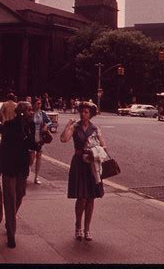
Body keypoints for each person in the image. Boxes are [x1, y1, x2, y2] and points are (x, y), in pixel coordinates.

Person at [0, 101, 40, 248]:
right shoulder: (9, 126)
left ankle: (10, 220)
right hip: (8, 167)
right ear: (20, 112)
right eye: (28, 110)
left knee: (20, 195)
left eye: (31, 110)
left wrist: (41, 142)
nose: (31, 112)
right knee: (9, 198)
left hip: (22, 167)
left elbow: (32, 145)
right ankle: (11, 235)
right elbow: (2, 148)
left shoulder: (30, 126)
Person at [60, 101, 105, 242]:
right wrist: (68, 125)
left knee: (91, 197)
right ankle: (78, 225)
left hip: (92, 164)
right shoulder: (75, 126)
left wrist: (96, 149)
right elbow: (63, 139)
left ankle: (87, 229)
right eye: (82, 111)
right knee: (81, 197)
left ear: (91, 114)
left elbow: (104, 145)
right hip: (79, 163)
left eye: (86, 112)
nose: (83, 114)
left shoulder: (95, 128)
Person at [30, 97, 52, 185]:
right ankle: (27, 172)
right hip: (31, 137)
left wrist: (46, 126)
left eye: (40, 103)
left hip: (40, 137)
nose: (39, 105)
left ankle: (36, 177)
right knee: (31, 158)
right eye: (38, 103)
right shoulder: (30, 113)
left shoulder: (42, 113)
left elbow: (50, 121)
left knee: (39, 156)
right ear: (34, 104)